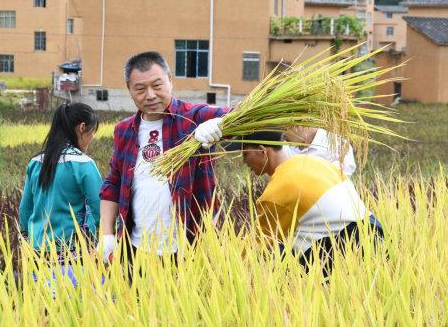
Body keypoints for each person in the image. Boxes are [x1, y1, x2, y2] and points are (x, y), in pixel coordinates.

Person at [99, 51, 228, 264]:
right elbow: (113, 183)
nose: (150, 95)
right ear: (130, 91)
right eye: (140, 89)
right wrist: (106, 235)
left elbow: (241, 115)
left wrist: (221, 124)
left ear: (170, 81)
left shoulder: (194, 118)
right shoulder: (124, 130)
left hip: (190, 248)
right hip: (137, 248)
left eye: (157, 85)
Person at [241, 130, 383, 275]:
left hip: (351, 245)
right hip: (377, 234)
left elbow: (256, 246)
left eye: (246, 154)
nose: (244, 161)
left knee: (277, 254)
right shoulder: (315, 162)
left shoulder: (277, 191)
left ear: (262, 151)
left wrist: (227, 271)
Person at [19, 102, 102, 262]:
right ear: (82, 127)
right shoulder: (83, 164)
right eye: (93, 131)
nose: (92, 137)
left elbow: (25, 210)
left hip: (36, 252)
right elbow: (100, 209)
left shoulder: (36, 162)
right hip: (73, 253)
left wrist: (28, 236)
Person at [283, 126, 356, 177]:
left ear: (299, 125)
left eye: (284, 129)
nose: (283, 136)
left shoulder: (338, 145)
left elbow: (338, 181)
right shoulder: (282, 148)